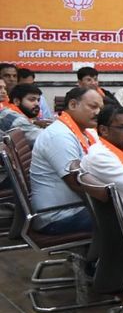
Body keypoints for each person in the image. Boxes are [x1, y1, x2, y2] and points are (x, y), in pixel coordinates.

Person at [30, 87, 103, 235]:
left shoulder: (84, 131)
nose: (98, 113)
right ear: (73, 104)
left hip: (76, 206)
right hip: (59, 216)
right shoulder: (59, 135)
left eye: (100, 108)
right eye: (93, 107)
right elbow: (76, 183)